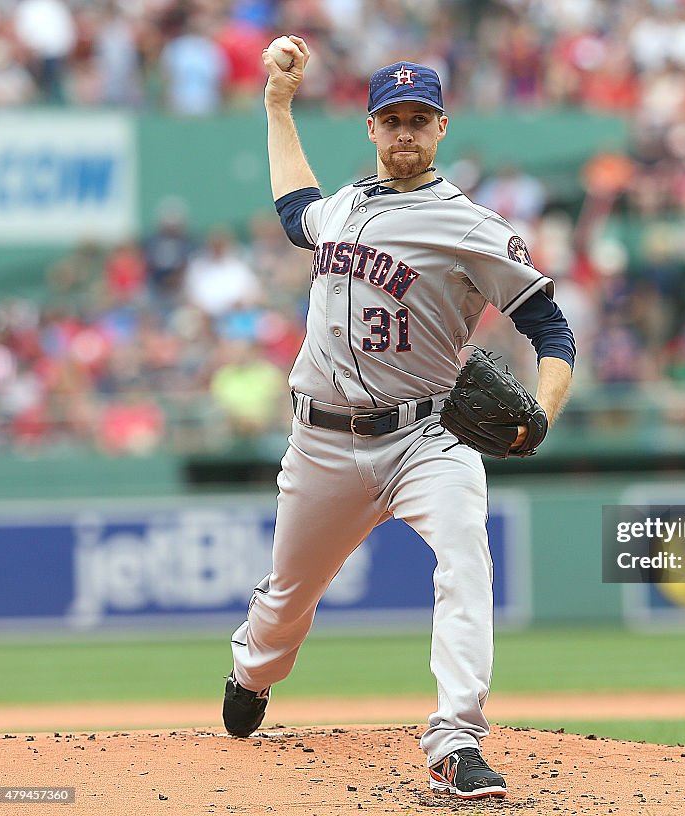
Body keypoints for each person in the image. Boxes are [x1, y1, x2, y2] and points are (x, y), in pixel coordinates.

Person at [221, 38, 575, 802]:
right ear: (372, 129)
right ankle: (252, 671)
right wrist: (278, 106)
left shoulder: (473, 227)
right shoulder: (344, 206)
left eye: (420, 118)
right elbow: (293, 213)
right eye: (393, 119)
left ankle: (456, 739)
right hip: (322, 441)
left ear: (441, 127)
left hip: (428, 436)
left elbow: (552, 331)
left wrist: (542, 413)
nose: (406, 131)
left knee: (467, 559)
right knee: (286, 603)